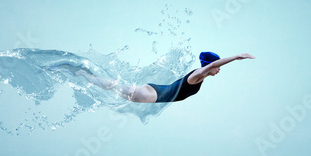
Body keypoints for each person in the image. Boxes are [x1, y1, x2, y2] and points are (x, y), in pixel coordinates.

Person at [69, 52, 255, 103]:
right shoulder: (197, 75)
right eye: (217, 66)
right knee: (110, 86)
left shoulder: (198, 77)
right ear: (208, 65)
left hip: (153, 91)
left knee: (114, 86)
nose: (219, 70)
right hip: (148, 96)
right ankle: (81, 73)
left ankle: (84, 74)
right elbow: (214, 65)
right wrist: (237, 57)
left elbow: (212, 66)